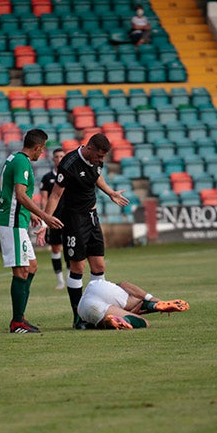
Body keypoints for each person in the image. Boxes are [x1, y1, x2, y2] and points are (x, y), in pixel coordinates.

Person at [40, 132, 129, 329]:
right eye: (99, 156)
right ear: (89, 149)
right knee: (77, 268)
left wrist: (110, 193)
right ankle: (78, 316)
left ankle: (98, 312)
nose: (101, 160)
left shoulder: (96, 161)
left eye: (103, 157)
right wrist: (44, 222)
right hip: (74, 219)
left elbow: (97, 177)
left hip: (92, 217)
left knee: (99, 267)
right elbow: (55, 196)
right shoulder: (69, 163)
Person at [0, 128, 64, 333]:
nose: (41, 154)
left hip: (17, 218)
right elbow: (21, 194)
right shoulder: (23, 162)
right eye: (41, 150)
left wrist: (31, 214)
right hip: (12, 221)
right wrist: (45, 216)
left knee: (31, 266)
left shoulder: (13, 158)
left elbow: (13, 195)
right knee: (22, 269)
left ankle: (20, 316)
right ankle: (17, 322)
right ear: (37, 147)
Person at [76, 278, 190, 330]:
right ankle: (154, 303)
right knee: (143, 321)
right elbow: (124, 284)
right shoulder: (121, 290)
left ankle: (111, 321)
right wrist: (151, 298)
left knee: (105, 320)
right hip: (99, 289)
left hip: (83, 308)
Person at [37, 147, 66, 289]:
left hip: (69, 216)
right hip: (53, 218)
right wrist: (44, 216)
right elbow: (44, 199)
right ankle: (60, 280)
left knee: (69, 248)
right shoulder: (47, 178)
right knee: (55, 249)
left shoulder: (70, 175)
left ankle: (71, 277)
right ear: (53, 159)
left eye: (62, 156)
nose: (59, 159)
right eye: (57, 157)